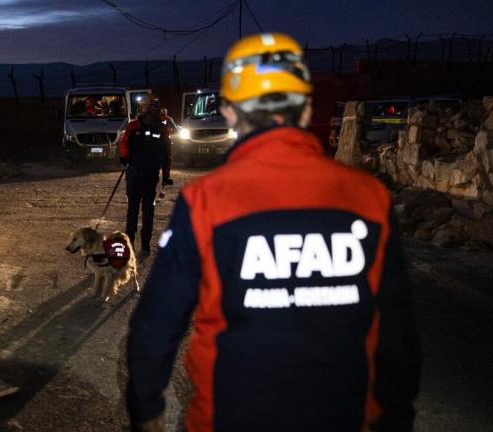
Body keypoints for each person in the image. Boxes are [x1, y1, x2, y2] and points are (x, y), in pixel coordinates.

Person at [126, 33, 421, 432]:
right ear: (303, 109)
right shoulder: (369, 198)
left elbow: (158, 321)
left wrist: (146, 408)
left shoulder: (207, 201)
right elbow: (396, 331)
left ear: (230, 112)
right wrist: (395, 418)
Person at [118, 95, 173, 256]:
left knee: (142, 211)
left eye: (144, 106)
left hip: (146, 176)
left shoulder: (160, 128)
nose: (141, 108)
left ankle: (143, 245)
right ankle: (135, 245)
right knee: (137, 211)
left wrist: (166, 175)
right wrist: (125, 158)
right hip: (137, 175)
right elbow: (124, 145)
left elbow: (166, 154)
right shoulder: (134, 126)